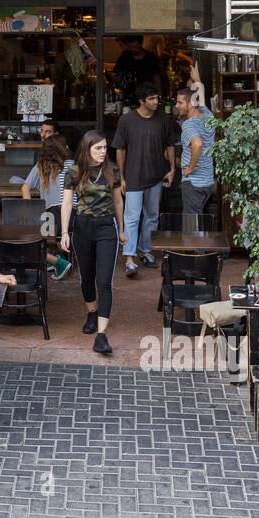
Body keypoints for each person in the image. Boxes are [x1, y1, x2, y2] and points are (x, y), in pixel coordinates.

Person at [60, 129, 125, 355]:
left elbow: (118, 202)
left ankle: (101, 335)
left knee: (104, 281)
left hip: (107, 227)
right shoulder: (75, 171)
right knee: (87, 276)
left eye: (105, 148)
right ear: (87, 149)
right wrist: (64, 233)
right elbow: (67, 204)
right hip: (82, 227)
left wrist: (123, 229)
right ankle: (92, 312)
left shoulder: (112, 171)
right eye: (98, 148)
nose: (103, 152)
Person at [113, 82, 175, 278]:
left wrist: (172, 169)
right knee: (132, 217)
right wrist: (121, 176)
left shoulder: (163, 119)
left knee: (151, 216)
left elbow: (170, 145)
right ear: (141, 101)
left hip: (156, 176)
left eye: (157, 98)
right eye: (152, 98)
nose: (157, 102)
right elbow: (120, 149)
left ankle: (145, 251)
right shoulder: (126, 120)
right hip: (132, 177)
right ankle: (130, 258)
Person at [21, 134, 75, 279]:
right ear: (64, 149)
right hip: (75, 215)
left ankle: (57, 261)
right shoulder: (73, 165)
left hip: (52, 216)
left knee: (25, 238)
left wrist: (31, 211)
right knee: (49, 232)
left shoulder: (41, 166)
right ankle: (56, 257)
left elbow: (25, 188)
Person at [173, 86, 215, 223]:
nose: (176, 106)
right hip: (208, 181)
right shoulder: (208, 115)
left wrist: (190, 167)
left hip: (194, 183)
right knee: (199, 220)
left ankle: (195, 245)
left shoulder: (188, 125)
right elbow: (200, 99)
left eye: (180, 102)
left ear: (191, 104)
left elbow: (197, 144)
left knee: (191, 226)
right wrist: (198, 82)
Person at [114, 36, 162, 110]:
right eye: (130, 47)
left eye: (135, 47)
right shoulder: (125, 56)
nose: (133, 49)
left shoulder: (151, 58)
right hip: (129, 99)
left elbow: (157, 78)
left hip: (147, 97)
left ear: (141, 44)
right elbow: (117, 74)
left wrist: (159, 96)